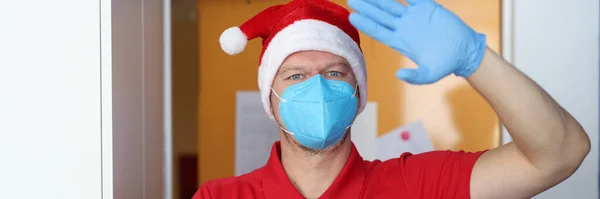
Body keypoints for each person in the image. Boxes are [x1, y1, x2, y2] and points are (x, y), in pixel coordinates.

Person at [193, 0, 591, 198]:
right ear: (271, 98)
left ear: (358, 92)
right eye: (295, 76)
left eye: (334, 73)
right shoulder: (219, 196)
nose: (315, 87)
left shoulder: (418, 185)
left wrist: (475, 58)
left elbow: (561, 154)